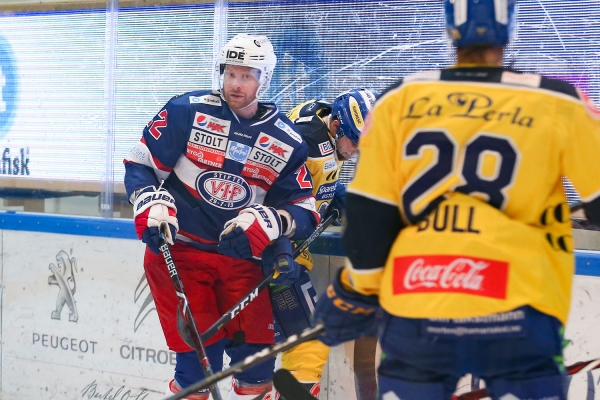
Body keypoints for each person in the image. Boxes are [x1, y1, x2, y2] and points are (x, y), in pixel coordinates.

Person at [313, 1, 600, 399]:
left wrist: (353, 291)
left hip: (418, 305)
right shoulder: (560, 101)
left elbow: (370, 214)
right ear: (511, 29)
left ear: (450, 30)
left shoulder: (400, 98)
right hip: (520, 311)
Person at [124, 33, 319, 400]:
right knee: (198, 369)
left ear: (265, 79)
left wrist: (272, 223)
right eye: (230, 73)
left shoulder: (288, 140)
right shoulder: (187, 111)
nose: (235, 84)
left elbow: (304, 209)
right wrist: (150, 204)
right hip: (180, 254)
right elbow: (140, 166)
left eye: (247, 76)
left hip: (241, 259)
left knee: (256, 367)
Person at [260, 89, 376, 399]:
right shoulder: (306, 142)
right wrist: (279, 249)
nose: (354, 152)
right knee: (304, 342)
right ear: (338, 126)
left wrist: (333, 197)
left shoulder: (322, 124)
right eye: (354, 142)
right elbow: (269, 194)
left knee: (294, 343)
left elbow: (314, 182)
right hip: (273, 258)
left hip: (279, 255)